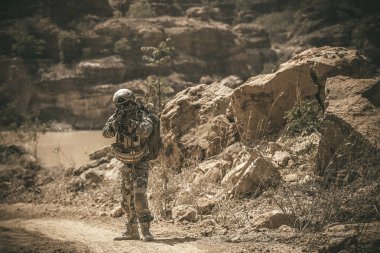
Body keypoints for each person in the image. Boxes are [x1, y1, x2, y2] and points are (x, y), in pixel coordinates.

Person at [102, 89, 154, 241]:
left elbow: (146, 131)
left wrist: (131, 123)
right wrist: (115, 124)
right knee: (126, 199)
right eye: (119, 105)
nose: (122, 108)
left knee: (139, 195)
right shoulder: (117, 117)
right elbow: (105, 133)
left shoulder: (142, 114)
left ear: (132, 102)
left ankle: (146, 231)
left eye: (125, 104)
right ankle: (132, 231)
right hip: (126, 163)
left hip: (140, 163)